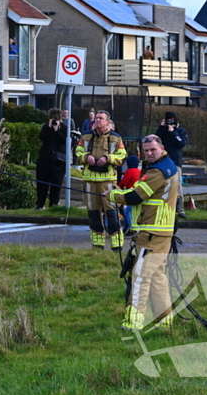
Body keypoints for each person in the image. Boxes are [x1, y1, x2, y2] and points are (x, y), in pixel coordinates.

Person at [109, 135, 180, 331]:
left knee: (140, 276)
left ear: (162, 147)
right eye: (146, 150)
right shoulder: (167, 165)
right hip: (160, 231)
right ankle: (165, 320)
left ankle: (133, 323)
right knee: (157, 276)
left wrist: (112, 194)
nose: (149, 153)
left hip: (152, 232)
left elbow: (135, 196)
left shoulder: (157, 171)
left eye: (153, 150)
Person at [75, 110, 127, 250]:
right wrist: (86, 157)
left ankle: (117, 244)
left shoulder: (116, 138)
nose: (97, 120)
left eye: (101, 118)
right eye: (96, 118)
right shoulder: (85, 136)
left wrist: (108, 158)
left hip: (108, 181)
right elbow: (78, 152)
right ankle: (97, 244)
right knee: (93, 213)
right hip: (89, 180)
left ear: (107, 122)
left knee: (111, 212)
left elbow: (122, 156)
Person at [155, 111, 190, 219]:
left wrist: (173, 132)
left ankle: (180, 209)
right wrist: (162, 128)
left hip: (175, 162)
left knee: (177, 187)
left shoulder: (181, 131)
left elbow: (182, 143)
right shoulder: (163, 131)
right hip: (163, 162)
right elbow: (155, 140)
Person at [35, 108, 67, 209]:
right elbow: (42, 138)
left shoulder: (64, 127)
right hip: (45, 159)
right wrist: (49, 128)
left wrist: (57, 130)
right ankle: (40, 204)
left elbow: (63, 140)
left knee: (56, 184)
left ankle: (54, 204)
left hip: (59, 161)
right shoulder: (46, 127)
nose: (54, 121)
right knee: (42, 184)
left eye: (56, 119)